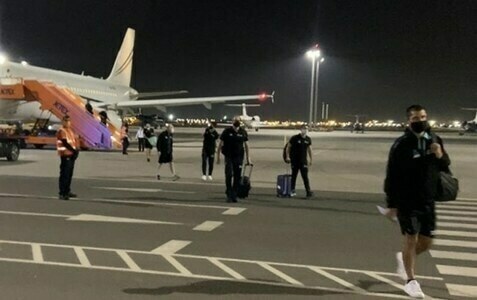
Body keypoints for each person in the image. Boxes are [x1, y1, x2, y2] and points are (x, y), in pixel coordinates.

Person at [384, 104, 450, 299]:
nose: (420, 120)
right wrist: (392, 203)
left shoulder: (435, 139)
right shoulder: (401, 144)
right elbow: (392, 174)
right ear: (409, 121)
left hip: (428, 200)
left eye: (423, 116)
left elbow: (445, 166)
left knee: (427, 242)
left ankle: (403, 258)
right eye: (415, 118)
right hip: (407, 200)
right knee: (411, 239)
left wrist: (439, 154)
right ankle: (411, 281)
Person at [217, 118, 251, 202]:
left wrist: (248, 158)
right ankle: (229, 193)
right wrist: (218, 157)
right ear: (232, 122)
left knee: (237, 176)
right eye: (235, 120)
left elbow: (246, 145)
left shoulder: (243, 132)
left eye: (238, 120)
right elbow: (220, 144)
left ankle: (234, 194)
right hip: (229, 156)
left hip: (239, 157)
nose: (236, 121)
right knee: (228, 174)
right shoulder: (227, 131)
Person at [285, 124, 313, 198]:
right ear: (300, 129)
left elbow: (309, 150)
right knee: (294, 176)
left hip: (303, 161)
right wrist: (287, 156)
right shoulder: (294, 138)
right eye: (303, 128)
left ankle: (308, 191)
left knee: (305, 177)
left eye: (306, 129)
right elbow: (288, 147)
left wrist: (311, 159)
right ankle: (292, 190)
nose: (305, 130)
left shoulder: (308, 139)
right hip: (295, 161)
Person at [56, 115, 80, 200]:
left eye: (68, 121)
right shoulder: (61, 131)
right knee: (65, 175)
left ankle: (67, 190)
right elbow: (65, 142)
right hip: (65, 155)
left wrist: (76, 151)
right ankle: (62, 193)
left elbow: (75, 141)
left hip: (71, 155)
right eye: (65, 121)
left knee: (69, 174)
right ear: (62, 122)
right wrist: (74, 151)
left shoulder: (71, 131)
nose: (67, 122)